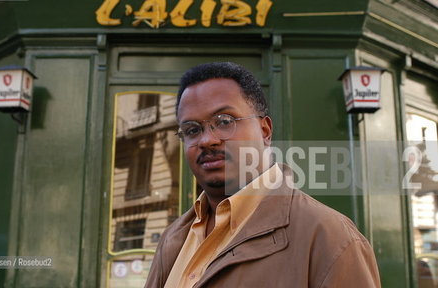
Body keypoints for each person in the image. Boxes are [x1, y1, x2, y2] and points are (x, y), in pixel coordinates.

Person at [145, 62, 381, 288]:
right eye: (192, 130)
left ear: (265, 131)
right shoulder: (173, 238)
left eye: (224, 121)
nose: (207, 140)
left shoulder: (332, 238)